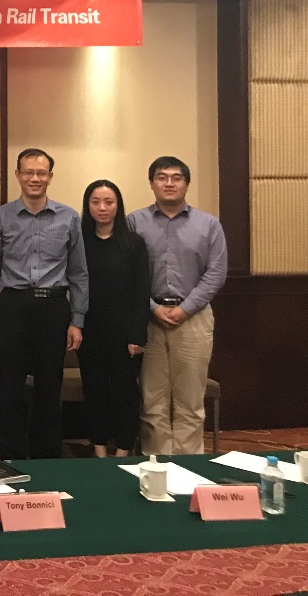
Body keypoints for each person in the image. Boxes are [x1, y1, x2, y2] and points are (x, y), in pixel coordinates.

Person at [0, 148, 88, 460]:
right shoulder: (1, 216)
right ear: (18, 175)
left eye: (41, 173)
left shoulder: (69, 217)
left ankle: (47, 456)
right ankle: (11, 455)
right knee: (11, 386)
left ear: (50, 177)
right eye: (28, 172)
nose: (35, 178)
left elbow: (79, 273)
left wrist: (77, 320)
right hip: (13, 307)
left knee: (49, 386)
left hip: (53, 308)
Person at [128, 157, 228, 456]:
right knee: (152, 401)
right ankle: (155, 466)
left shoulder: (208, 225)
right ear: (151, 183)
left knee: (190, 401)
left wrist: (187, 308)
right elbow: (126, 272)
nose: (169, 183)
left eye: (176, 177)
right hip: (148, 318)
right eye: (162, 177)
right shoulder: (134, 222)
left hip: (193, 318)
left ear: (186, 183)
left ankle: (189, 467)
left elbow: (216, 273)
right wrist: (151, 307)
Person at [79, 180, 150, 457]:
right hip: (89, 330)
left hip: (125, 332)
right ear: (87, 206)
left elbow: (142, 290)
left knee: (125, 393)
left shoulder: (133, 243)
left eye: (109, 202)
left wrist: (137, 334)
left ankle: (123, 449)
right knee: (94, 390)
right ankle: (98, 449)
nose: (102, 208)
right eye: (95, 202)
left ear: (118, 206)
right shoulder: (79, 243)